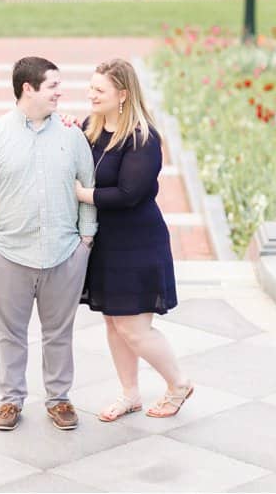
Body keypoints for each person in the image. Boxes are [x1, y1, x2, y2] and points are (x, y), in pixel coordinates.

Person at [0, 56, 98, 431]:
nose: (60, 92)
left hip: (64, 254)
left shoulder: (73, 136)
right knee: (10, 333)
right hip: (7, 255)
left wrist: (85, 239)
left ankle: (59, 399)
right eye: (53, 85)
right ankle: (10, 400)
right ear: (28, 88)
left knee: (59, 333)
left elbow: (88, 181)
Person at [74, 58, 194, 421]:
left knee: (135, 328)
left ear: (123, 94)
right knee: (113, 322)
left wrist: (82, 195)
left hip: (138, 243)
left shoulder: (143, 138)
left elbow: (129, 193)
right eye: (91, 87)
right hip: (105, 244)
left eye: (100, 90)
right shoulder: (89, 128)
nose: (91, 95)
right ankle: (129, 394)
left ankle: (178, 384)